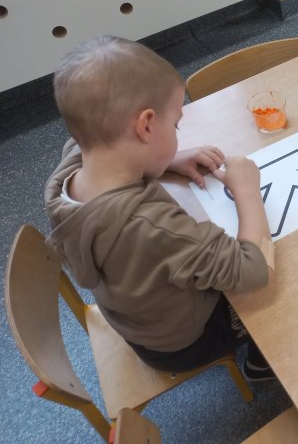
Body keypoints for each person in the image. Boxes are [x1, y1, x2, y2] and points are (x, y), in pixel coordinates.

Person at [44, 35, 276, 380]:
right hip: (187, 343)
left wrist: (164, 159)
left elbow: (104, 149)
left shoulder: (68, 171)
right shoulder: (152, 226)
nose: (177, 131)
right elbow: (252, 271)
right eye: (175, 124)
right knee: (278, 283)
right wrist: (247, 189)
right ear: (146, 126)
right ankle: (261, 364)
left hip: (141, 325)